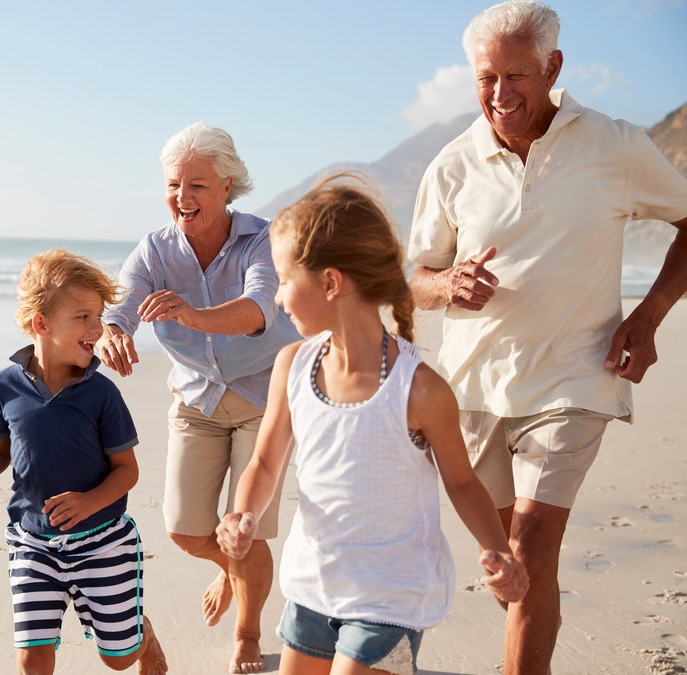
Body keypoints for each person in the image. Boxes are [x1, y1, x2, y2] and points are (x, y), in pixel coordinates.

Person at [407, 2, 687, 672]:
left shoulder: (615, 144)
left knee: (530, 547)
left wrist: (647, 315)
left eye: (516, 77)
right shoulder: (451, 165)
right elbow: (412, 274)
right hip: (472, 386)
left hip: (575, 376)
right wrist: (447, 286)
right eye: (485, 79)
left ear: (553, 67)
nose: (499, 94)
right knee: (513, 566)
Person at [217, 173, 529, 675]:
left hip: (390, 595)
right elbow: (265, 461)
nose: (275, 298)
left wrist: (497, 548)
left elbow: (463, 481)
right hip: (313, 585)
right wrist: (242, 513)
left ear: (330, 282)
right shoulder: (293, 365)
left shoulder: (420, 389)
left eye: (283, 281)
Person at [97, 122, 302, 674]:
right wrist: (113, 331)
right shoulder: (155, 251)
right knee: (187, 530)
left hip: (265, 398)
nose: (182, 198)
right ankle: (231, 567)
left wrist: (190, 314)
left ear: (228, 185)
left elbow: (261, 307)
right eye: (173, 185)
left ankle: (248, 635)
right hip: (197, 402)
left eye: (198, 186)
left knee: (243, 528)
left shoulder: (262, 239)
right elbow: (119, 305)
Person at [0, 249, 168, 675]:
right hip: (33, 541)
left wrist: (91, 501)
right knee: (33, 658)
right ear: (42, 323)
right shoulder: (4, 386)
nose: (98, 328)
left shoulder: (101, 394)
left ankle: (141, 636)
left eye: (99, 317)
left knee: (118, 658)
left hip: (103, 541)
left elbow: (127, 470)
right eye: (84, 318)